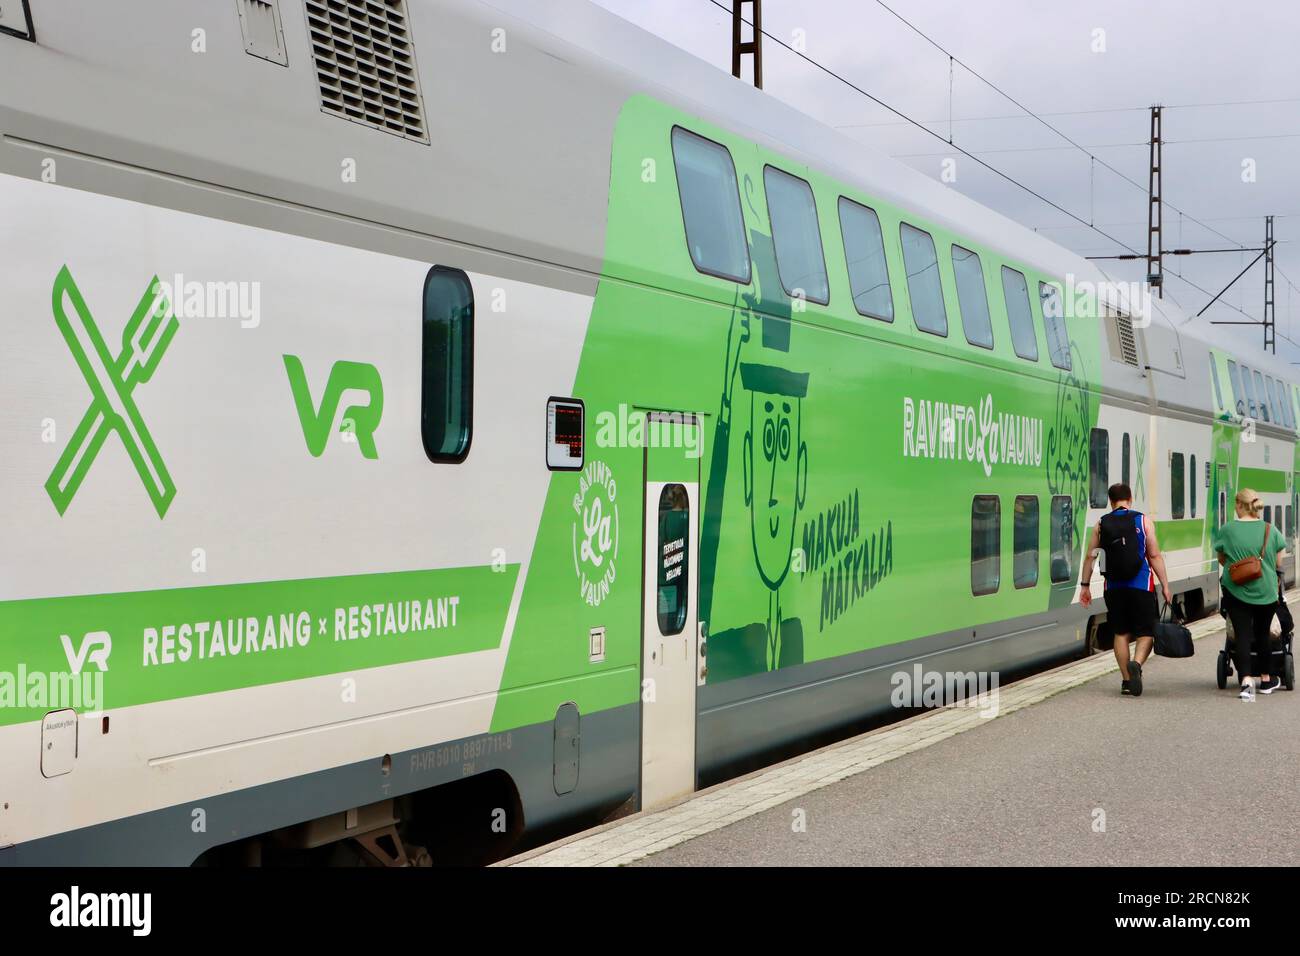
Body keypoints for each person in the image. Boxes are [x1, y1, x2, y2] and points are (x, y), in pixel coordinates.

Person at [1079, 483, 1172, 696]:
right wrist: (1165, 585)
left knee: (1120, 633)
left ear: (1111, 502)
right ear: (1129, 499)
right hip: (1141, 586)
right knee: (1146, 632)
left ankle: (1127, 681)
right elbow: (1154, 555)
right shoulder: (1143, 520)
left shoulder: (1101, 524)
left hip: (1113, 587)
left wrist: (1085, 586)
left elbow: (1090, 557)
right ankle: (1137, 664)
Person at [1214, 488, 1288, 701]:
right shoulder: (1269, 529)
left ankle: (1247, 683)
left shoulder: (1227, 530)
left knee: (1243, 636)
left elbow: (1222, 558)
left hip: (1236, 591)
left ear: (1238, 505)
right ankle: (1266, 680)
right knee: (1263, 634)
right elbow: (1278, 561)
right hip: (1266, 592)